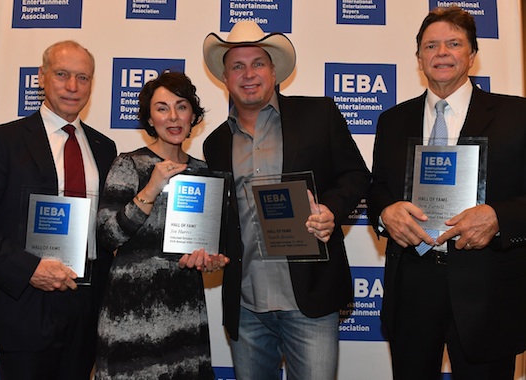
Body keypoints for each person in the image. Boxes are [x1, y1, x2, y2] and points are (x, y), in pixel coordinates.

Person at [202, 21, 370, 379]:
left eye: (258, 63)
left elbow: (357, 176)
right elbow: (222, 217)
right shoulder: (214, 143)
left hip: (309, 300)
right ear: (224, 77)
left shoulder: (319, 115)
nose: (248, 74)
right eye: (237, 66)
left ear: (274, 70)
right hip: (246, 304)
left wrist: (331, 211)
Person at [367, 6, 526, 380]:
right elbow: (378, 190)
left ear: (472, 54)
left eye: (453, 43)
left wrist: (499, 217)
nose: (441, 52)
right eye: (431, 45)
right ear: (419, 57)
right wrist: (385, 213)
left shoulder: (516, 116)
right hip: (412, 287)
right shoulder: (392, 120)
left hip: (487, 290)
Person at [0, 40, 117, 379]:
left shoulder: (104, 147)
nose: (73, 87)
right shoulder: (3, 141)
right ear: (42, 77)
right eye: (62, 74)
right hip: (25, 302)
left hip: (87, 307)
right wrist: (28, 269)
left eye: (83, 78)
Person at [94, 71, 228, 380]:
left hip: (185, 313)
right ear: (149, 118)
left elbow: (207, 244)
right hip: (131, 315)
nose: (173, 116)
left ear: (193, 114)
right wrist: (151, 188)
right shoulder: (129, 164)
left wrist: (211, 261)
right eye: (162, 108)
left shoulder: (203, 172)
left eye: (181, 106)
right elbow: (108, 235)